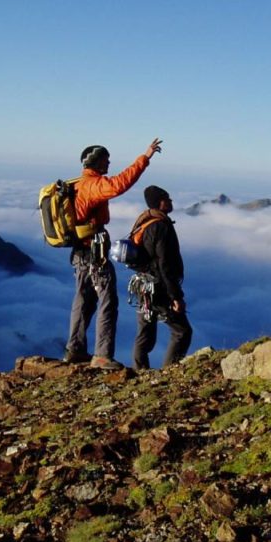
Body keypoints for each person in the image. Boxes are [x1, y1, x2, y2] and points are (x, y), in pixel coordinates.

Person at [64, 138, 162, 370]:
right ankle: (102, 355)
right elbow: (120, 184)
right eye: (106, 161)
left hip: (79, 252)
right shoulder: (92, 185)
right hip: (93, 251)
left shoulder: (76, 184)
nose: (108, 165)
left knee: (83, 300)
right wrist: (145, 158)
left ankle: (74, 349)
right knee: (107, 300)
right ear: (96, 162)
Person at [131, 185, 193, 370]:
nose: (171, 201)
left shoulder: (145, 222)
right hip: (158, 288)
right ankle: (169, 371)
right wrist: (175, 296)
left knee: (145, 332)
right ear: (160, 202)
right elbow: (164, 264)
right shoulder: (160, 226)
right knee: (182, 332)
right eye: (168, 198)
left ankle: (138, 371)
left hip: (142, 285)